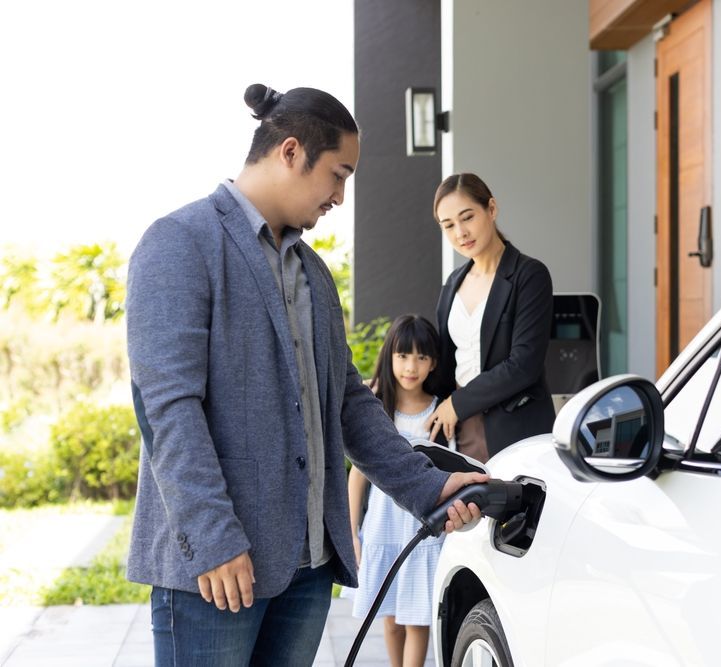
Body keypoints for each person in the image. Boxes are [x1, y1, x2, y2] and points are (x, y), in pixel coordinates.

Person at [125, 84, 487, 666]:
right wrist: (213, 539)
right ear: (290, 152)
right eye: (338, 175)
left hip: (307, 567)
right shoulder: (180, 243)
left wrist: (426, 485)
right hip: (217, 572)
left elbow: (345, 402)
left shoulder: (312, 272)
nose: (341, 197)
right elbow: (167, 409)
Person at [425, 173, 556, 463]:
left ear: (492, 209)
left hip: (517, 430)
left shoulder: (529, 275)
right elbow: (445, 365)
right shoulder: (452, 284)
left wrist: (458, 403)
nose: (460, 232)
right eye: (448, 226)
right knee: (468, 509)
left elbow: (524, 365)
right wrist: (391, 383)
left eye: (467, 217)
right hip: (461, 429)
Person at [346, 314, 447, 667]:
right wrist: (352, 533)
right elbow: (358, 476)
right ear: (390, 357)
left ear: (433, 363)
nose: (411, 366)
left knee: (417, 617)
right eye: (403, 356)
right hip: (384, 527)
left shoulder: (440, 413)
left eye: (421, 357)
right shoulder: (378, 410)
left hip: (422, 528)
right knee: (390, 616)